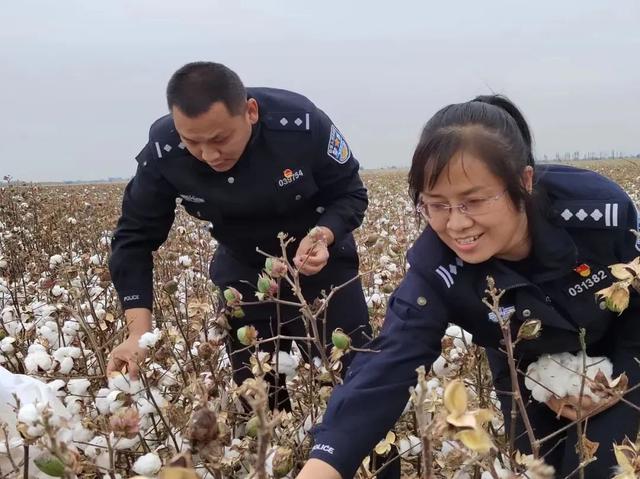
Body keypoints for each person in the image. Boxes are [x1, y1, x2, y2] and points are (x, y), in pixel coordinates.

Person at [298, 95, 640, 478]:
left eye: (474, 201)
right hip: (525, 365)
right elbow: (389, 363)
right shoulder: (436, 266)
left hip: (625, 350)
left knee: (601, 468)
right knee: (539, 467)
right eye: (436, 204)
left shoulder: (599, 213)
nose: (457, 225)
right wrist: (324, 463)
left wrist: (619, 382)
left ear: (523, 182)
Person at [106, 62, 372, 412]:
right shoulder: (164, 150)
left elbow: (350, 194)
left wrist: (324, 234)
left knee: (355, 385)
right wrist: (138, 332)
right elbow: (133, 239)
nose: (209, 155)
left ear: (250, 112)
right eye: (193, 143)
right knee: (258, 400)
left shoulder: (301, 124)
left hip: (321, 264)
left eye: (220, 139)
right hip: (244, 271)